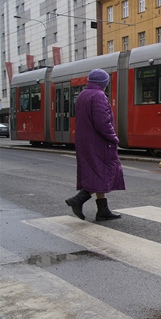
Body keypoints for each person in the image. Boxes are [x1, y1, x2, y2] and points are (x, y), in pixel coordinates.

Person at [65, 68, 125, 221]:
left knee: (96, 172)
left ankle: (102, 210)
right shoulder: (98, 96)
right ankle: (78, 199)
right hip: (98, 141)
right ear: (104, 82)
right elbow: (102, 122)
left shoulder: (83, 95)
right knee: (104, 172)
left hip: (85, 140)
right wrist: (113, 137)